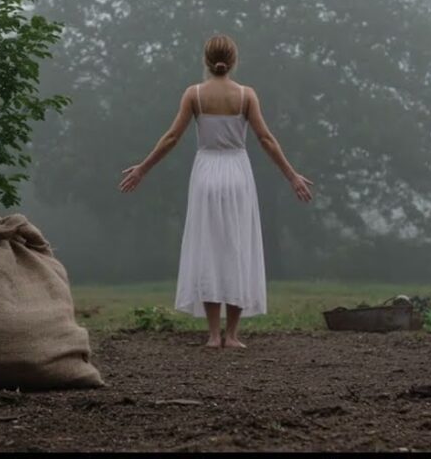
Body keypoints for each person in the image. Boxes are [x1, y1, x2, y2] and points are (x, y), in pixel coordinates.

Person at [119, 34, 314, 349]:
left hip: (206, 174)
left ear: (206, 60)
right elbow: (266, 139)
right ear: (233, 60)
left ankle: (212, 335)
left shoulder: (194, 94)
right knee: (237, 247)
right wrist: (292, 176)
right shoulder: (246, 95)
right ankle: (233, 335)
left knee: (209, 247)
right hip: (238, 174)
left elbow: (171, 138)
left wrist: (142, 168)